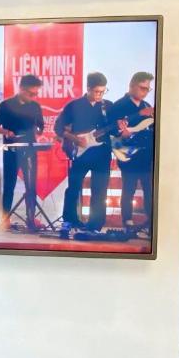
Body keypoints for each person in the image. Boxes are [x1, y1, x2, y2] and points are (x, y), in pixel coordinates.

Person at [55, 71, 112, 231]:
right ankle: (70, 220)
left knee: (100, 190)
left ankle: (95, 224)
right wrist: (74, 138)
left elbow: (115, 129)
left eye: (103, 91)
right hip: (81, 153)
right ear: (88, 88)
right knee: (74, 187)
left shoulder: (108, 106)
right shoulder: (74, 106)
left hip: (102, 153)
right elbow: (58, 127)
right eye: (97, 91)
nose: (100, 95)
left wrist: (122, 127)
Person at [0, 74, 45, 230]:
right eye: (31, 94)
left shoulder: (35, 106)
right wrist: (6, 132)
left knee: (31, 185)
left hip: (30, 148)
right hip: (11, 149)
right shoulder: (6, 105)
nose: (33, 97)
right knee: (10, 184)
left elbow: (40, 127)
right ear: (21, 89)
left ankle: (31, 217)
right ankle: (5, 218)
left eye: (36, 94)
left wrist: (38, 130)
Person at [109, 71, 155, 237]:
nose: (145, 92)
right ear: (132, 85)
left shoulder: (146, 105)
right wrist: (123, 134)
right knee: (129, 189)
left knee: (149, 189)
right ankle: (127, 222)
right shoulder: (118, 106)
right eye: (143, 88)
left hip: (146, 154)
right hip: (128, 154)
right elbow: (112, 131)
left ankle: (151, 223)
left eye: (148, 89)